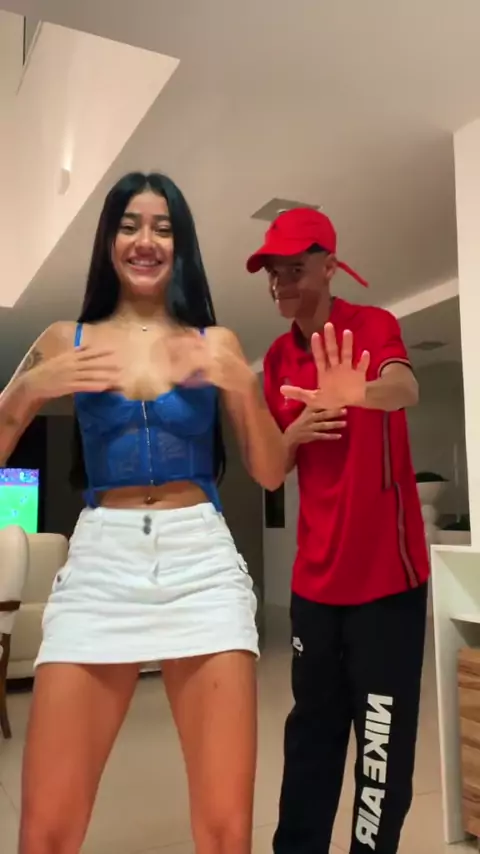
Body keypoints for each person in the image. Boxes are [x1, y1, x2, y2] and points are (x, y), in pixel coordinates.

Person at [0, 172, 286, 854]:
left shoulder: (216, 343)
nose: (145, 240)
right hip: (101, 560)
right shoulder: (62, 338)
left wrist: (244, 386)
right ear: (109, 239)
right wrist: (30, 388)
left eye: (162, 227)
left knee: (225, 834)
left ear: (180, 243)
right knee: (46, 833)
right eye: (130, 225)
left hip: (201, 561)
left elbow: (272, 471)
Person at [246, 208, 429, 854]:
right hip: (315, 588)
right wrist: (295, 433)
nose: (281, 284)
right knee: (311, 741)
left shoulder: (371, 325)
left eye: (294, 269)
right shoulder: (275, 359)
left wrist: (358, 394)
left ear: (329, 267)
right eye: (273, 273)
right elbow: (271, 471)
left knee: (380, 751)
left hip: (386, 582)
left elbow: (404, 387)